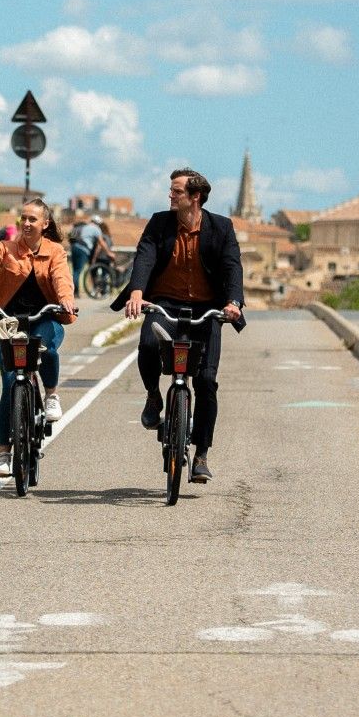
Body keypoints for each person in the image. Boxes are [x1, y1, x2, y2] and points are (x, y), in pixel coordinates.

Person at [113, 169, 245, 483]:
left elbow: (232, 265)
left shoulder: (221, 228)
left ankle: (200, 454)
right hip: (165, 303)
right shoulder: (160, 223)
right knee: (147, 345)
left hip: (208, 309)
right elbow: (145, 256)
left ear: (195, 197)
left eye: (176, 192)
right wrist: (137, 292)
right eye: (170, 191)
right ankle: (153, 396)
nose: (170, 196)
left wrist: (233, 303)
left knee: (207, 382)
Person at [0, 198, 77, 478]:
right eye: (24, 218)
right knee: (9, 383)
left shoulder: (55, 251)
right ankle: (5, 452)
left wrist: (66, 300)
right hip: (9, 322)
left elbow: (61, 279)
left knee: (48, 349)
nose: (27, 223)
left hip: (45, 317)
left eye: (33, 219)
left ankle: (52, 394)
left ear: (45, 224)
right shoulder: (10, 249)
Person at [68, 214, 104, 296]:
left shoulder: (84, 226)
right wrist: (109, 252)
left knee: (75, 271)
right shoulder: (96, 229)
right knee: (78, 271)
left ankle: (73, 291)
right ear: (98, 223)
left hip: (74, 247)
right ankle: (74, 292)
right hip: (83, 249)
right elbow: (101, 242)